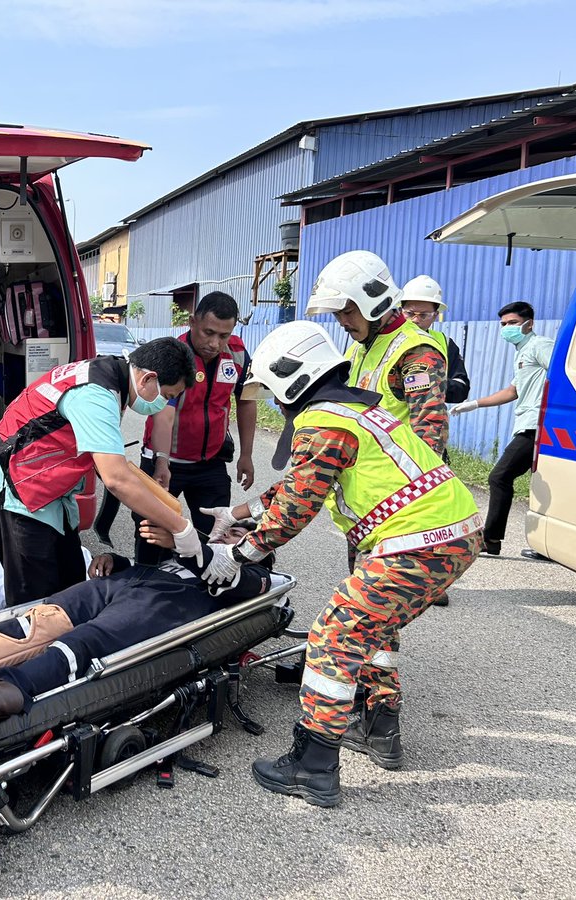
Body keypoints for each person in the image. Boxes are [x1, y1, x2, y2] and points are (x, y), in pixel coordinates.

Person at [197, 320, 481, 808]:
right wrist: (237, 514)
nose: (275, 402)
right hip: (449, 533)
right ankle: (379, 728)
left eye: (272, 389)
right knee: (373, 629)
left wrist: (239, 553)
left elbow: (295, 508)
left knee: (335, 635)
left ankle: (313, 766)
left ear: (291, 377)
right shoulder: (350, 410)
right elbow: (298, 485)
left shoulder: (324, 420)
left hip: (416, 540)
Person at [0, 523, 275, 735]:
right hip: (130, 583)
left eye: (236, 536)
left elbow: (234, 583)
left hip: (167, 605)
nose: (227, 536)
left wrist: (192, 547)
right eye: (226, 532)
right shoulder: (187, 554)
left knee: (84, 643)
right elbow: (144, 564)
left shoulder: (257, 574)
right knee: (40, 617)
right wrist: (114, 561)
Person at [0, 337, 203, 607]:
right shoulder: (96, 393)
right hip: (14, 493)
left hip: (46, 492)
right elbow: (116, 478)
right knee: (35, 603)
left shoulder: (110, 378)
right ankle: (33, 648)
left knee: (71, 591)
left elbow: (106, 459)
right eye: (166, 396)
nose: (162, 404)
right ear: (148, 378)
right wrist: (182, 529)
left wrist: (150, 482)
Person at [135, 291, 255, 564]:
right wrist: (162, 462)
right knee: (153, 533)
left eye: (223, 335)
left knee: (213, 535)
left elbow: (246, 402)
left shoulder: (237, 353)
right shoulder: (175, 355)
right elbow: (164, 414)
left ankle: (203, 594)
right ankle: (144, 583)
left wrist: (246, 455)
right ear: (192, 322)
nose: (214, 343)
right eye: (208, 332)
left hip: (209, 463)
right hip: (165, 462)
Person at [308, 251, 448, 456]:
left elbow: (429, 434)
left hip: (396, 480)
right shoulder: (358, 348)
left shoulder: (416, 352)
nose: (342, 322)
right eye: (337, 314)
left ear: (375, 305)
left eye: (348, 312)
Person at [450, 301, 554, 558]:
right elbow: (512, 391)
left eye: (512, 323)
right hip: (527, 425)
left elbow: (561, 373)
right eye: (503, 324)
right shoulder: (522, 351)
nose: (506, 328)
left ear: (529, 323)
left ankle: (491, 539)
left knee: (499, 476)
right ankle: (548, 545)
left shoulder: (539, 345)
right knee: (545, 485)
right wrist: (474, 404)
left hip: (537, 427)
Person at [400, 275, 471, 405]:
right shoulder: (384, 340)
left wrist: (429, 381)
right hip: (385, 422)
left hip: (428, 422)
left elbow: (461, 389)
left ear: (435, 316)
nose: (415, 320)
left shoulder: (444, 343)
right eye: (410, 314)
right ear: (400, 311)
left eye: (423, 315)